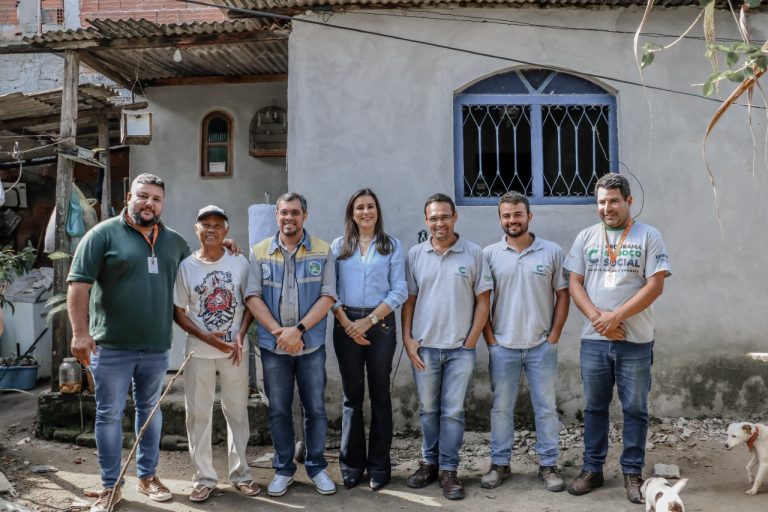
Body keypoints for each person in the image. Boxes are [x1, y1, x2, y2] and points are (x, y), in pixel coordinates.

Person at [67, 173, 189, 512]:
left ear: (162, 204)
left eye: (156, 199)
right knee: (109, 414)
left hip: (155, 345)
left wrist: (224, 247)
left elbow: (198, 271)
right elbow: (78, 285)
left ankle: (147, 476)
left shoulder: (175, 242)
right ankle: (110, 485)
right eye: (143, 196)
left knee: (150, 412)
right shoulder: (102, 235)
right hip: (110, 346)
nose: (149, 203)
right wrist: (80, 333)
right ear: (129, 197)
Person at [564, 173, 671, 504]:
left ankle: (632, 473)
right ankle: (592, 469)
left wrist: (616, 317)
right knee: (595, 407)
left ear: (628, 201)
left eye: (613, 201)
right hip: (595, 340)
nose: (606, 208)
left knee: (635, 408)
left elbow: (655, 285)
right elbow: (574, 283)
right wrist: (601, 320)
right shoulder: (585, 237)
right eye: (601, 202)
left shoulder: (648, 236)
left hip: (635, 340)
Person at [244, 192, 337, 497]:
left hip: (310, 346)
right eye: (284, 213)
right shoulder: (259, 252)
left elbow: (327, 296)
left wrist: (297, 330)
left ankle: (317, 467)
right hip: (274, 348)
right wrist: (279, 332)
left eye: (295, 213)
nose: (289, 218)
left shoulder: (323, 251)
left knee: (315, 410)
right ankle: (284, 468)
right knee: (279, 411)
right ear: (277, 216)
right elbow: (253, 296)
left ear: (304, 217)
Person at [402, 193, 492, 500]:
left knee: (453, 412)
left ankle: (449, 471)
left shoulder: (473, 253)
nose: (439, 222)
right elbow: (409, 301)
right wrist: (408, 339)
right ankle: (429, 463)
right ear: (426, 221)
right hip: (425, 348)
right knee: (428, 411)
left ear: (455, 217)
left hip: (459, 350)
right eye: (433, 218)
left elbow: (483, 300)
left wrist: (471, 340)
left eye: (444, 216)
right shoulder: (415, 254)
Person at [481, 192, 570, 492]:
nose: (512, 220)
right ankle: (499, 464)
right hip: (503, 346)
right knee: (501, 408)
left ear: (529, 216)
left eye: (517, 214)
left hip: (540, 345)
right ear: (500, 219)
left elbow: (563, 295)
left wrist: (554, 335)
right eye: (506, 215)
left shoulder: (552, 252)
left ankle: (548, 466)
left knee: (545, 407)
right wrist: (490, 338)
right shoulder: (489, 254)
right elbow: (482, 300)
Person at [172, 205, 260, 502]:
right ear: (196, 230)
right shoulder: (187, 266)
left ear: (226, 231)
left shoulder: (239, 262)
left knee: (237, 412)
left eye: (217, 225)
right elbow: (179, 311)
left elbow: (250, 303)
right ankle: (204, 478)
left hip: (234, 352)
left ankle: (241, 474)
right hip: (198, 353)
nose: (211, 229)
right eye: (204, 224)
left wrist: (239, 336)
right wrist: (205, 336)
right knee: (198, 416)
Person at [331, 188, 407, 491]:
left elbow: (399, 288)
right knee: (351, 398)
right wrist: (348, 322)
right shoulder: (339, 247)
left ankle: (379, 466)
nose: (366, 212)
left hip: (381, 324)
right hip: (346, 323)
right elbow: (330, 289)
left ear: (378, 211)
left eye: (371, 207)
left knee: (380, 397)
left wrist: (369, 320)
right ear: (352, 212)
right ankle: (351, 465)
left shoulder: (392, 246)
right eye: (360, 207)